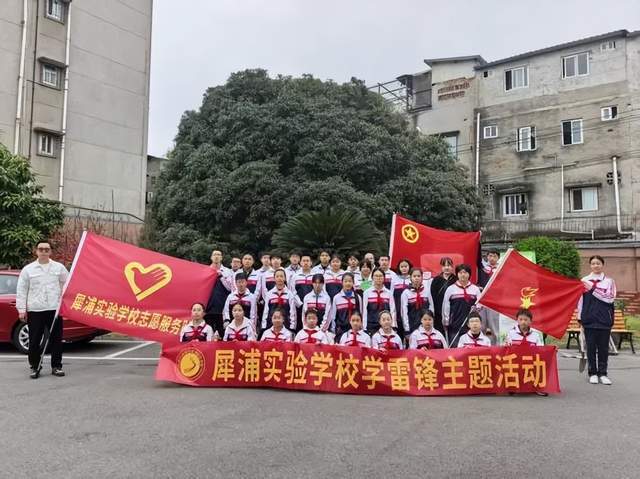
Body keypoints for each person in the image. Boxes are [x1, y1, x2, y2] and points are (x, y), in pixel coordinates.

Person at [16, 241, 69, 379]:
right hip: (35, 309)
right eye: (41, 249)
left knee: (56, 339)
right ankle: (35, 367)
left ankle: (56, 366)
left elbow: (67, 284)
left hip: (54, 309)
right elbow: (21, 290)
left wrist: (64, 303)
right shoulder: (28, 270)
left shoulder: (59, 267)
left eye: (46, 249)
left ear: (50, 251)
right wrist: (21, 309)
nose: (44, 252)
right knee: (34, 340)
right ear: (36, 251)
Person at [578, 255, 616, 385]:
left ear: (602, 265)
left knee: (603, 348)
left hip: (604, 319)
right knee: (591, 348)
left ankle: (603, 373)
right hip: (588, 319)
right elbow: (580, 301)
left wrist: (593, 289)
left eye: (598, 263)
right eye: (593, 263)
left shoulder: (609, 281)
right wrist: (580, 318)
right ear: (590, 265)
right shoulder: (584, 281)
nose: (596, 265)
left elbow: (610, 298)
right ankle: (593, 373)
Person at [443, 264, 481, 347]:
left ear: (469, 274)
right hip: (454, 324)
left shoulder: (475, 289)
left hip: (470, 325)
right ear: (457, 274)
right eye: (460, 273)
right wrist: (446, 321)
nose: (463, 275)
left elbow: (479, 305)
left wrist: (476, 309)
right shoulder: (450, 289)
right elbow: (446, 306)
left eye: (465, 272)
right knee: (455, 347)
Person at [204, 249, 233, 338]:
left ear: (221, 258)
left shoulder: (228, 271)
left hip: (222, 307)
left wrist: (221, 277)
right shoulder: (205, 270)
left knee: (222, 333)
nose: (216, 256)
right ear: (211, 257)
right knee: (208, 333)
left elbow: (230, 288)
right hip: (208, 307)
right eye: (214, 255)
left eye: (218, 255)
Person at [324, 272, 360, 339]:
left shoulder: (357, 298)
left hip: (355, 329)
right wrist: (333, 330)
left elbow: (361, 313)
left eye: (350, 281)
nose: (348, 283)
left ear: (353, 283)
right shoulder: (337, 298)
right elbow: (333, 316)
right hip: (341, 330)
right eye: (345, 281)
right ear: (342, 282)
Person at [401, 267, 434, 336]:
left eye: (419, 276)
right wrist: (406, 329)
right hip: (412, 325)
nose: (416, 278)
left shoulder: (426, 291)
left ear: (422, 277)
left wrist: (431, 323)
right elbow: (404, 312)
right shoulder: (406, 293)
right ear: (410, 277)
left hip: (425, 325)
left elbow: (431, 307)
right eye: (414, 276)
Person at [362, 269, 395, 335]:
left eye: (380, 276)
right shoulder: (367, 292)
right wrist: (364, 327)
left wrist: (393, 325)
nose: (378, 278)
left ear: (384, 278)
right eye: (376, 276)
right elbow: (364, 311)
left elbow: (392, 310)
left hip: (385, 325)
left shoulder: (389, 293)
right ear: (372, 278)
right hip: (371, 325)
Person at [430, 257, 456, 335]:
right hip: (439, 312)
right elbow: (433, 297)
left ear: (452, 267)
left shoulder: (456, 279)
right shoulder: (436, 280)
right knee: (440, 333)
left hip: (453, 312)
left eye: (449, 265)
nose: (447, 268)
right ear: (441, 267)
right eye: (444, 265)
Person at [391, 259, 412, 337]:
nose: (404, 268)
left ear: (409, 267)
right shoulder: (394, 278)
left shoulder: (412, 278)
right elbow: (391, 295)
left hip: (409, 309)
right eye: (402, 266)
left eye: (406, 266)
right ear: (399, 268)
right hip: (397, 308)